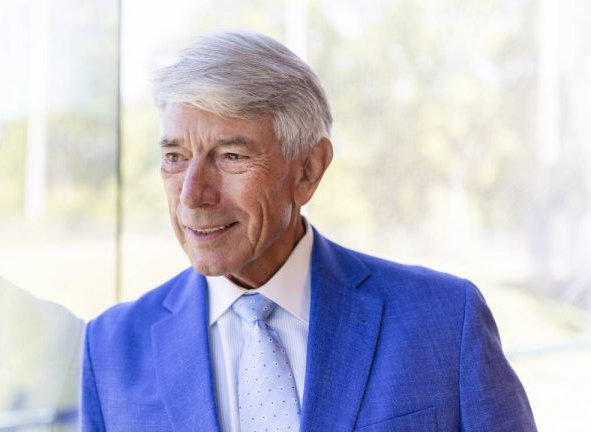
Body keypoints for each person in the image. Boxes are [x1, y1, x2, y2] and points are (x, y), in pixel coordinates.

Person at [81, 30, 537, 431]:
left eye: (231, 157)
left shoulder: (443, 323)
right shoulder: (112, 350)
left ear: (308, 170)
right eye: (175, 158)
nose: (192, 196)